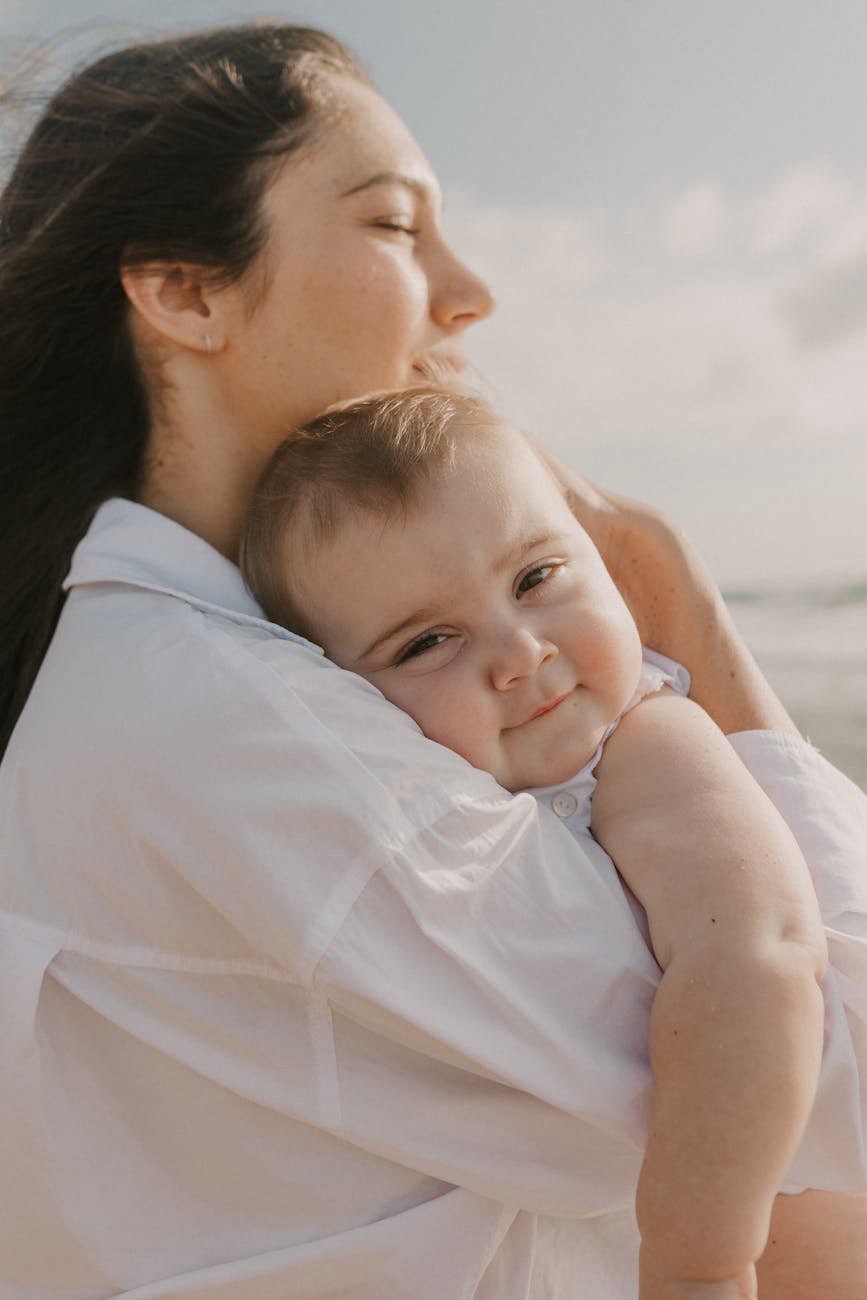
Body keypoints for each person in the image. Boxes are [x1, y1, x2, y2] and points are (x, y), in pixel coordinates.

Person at [1, 21, 865, 1300]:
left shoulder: (215, 663)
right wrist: (675, 596)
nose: (470, 293)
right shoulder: (238, 722)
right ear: (185, 293)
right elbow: (831, 1071)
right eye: (397, 227)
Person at [239, 384, 861, 1294]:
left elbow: (757, 959)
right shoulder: (413, 786)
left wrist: (697, 1261)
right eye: (427, 644)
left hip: (762, 1220)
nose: (520, 653)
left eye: (536, 579)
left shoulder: (644, 743)